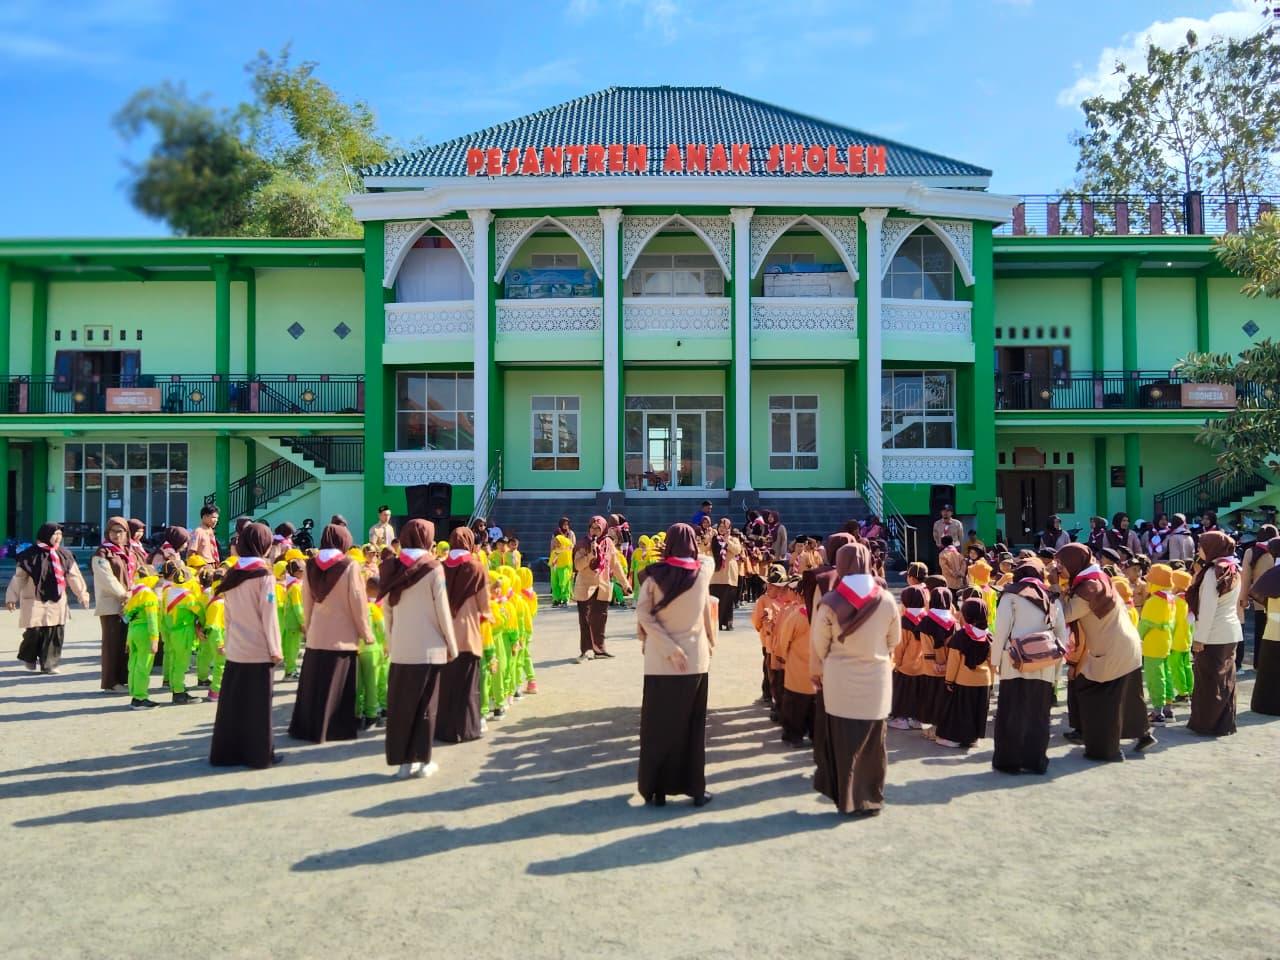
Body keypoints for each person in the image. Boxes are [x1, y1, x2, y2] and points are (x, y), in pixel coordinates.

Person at [810, 542, 899, 817]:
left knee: (844, 741)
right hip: (877, 680)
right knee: (874, 742)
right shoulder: (886, 599)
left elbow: (818, 645)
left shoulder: (830, 602)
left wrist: (817, 673)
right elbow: (894, 640)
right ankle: (871, 798)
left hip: (840, 680)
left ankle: (846, 798)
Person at [636, 522, 715, 808]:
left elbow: (644, 616)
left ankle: (655, 790)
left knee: (657, 728)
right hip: (695, 660)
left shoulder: (652, 578)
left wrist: (669, 647)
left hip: (660, 661)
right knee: (692, 730)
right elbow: (706, 557)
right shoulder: (703, 572)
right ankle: (695, 789)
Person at [1057, 543, 1154, 762]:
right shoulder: (1095, 579)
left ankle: (1106, 749)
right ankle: (1143, 734)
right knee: (1128, 695)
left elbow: (1064, 615)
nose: (1058, 568)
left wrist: (1055, 589)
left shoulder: (1088, 589)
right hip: (1125, 644)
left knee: (1100, 698)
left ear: (1074, 563)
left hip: (1113, 649)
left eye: (1061, 564)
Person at [378, 519, 458, 779]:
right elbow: (442, 610)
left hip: (401, 647)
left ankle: (403, 763)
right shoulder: (434, 568)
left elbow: (386, 610)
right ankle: (424, 762)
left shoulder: (390, 566)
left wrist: (390, 642)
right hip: (430, 648)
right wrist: (451, 644)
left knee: (401, 707)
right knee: (426, 706)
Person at [289, 522, 375, 743]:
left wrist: (309, 628)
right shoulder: (350, 565)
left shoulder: (309, 565)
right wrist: (366, 632)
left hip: (317, 634)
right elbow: (358, 602)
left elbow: (307, 601)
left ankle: (309, 728)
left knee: (314, 686)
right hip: (342, 637)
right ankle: (335, 729)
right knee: (338, 687)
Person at [209, 523, 284, 768]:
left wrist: (229, 643)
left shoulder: (232, 573)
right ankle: (260, 754)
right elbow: (269, 615)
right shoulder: (264, 575)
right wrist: (275, 648)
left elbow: (227, 616)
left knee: (234, 705)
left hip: (236, 648)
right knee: (258, 707)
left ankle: (227, 752)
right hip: (259, 649)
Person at [990, 560, 1066, 774]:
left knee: (1011, 712)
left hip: (1014, 661)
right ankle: (1035, 761)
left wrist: (995, 662)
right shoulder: (1052, 598)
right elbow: (1062, 636)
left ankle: (1009, 761)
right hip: (1044, 664)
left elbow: (1001, 631)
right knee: (1038, 714)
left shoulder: (1010, 596)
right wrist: (1057, 670)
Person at [6, 523, 90, 674]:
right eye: (54, 534)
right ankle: (29, 656)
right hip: (34, 599)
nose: (58, 538)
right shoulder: (30, 555)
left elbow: (74, 576)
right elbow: (19, 578)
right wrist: (11, 597)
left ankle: (49, 664)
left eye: (60, 535)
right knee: (34, 632)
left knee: (55, 632)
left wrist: (82, 594)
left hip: (57, 600)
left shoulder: (65, 555)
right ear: (45, 535)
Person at [436, 527, 490, 742]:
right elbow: (484, 606)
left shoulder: (439, 567)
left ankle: (444, 729)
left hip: (443, 635)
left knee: (446, 684)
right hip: (468, 633)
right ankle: (467, 728)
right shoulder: (477, 567)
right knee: (468, 685)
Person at [1187, 531, 1243, 737]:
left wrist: (1199, 638)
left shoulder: (1213, 573)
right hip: (1230, 631)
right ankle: (1224, 723)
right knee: (1226, 679)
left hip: (1213, 634)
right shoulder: (1233, 568)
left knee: (1209, 681)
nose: (1198, 550)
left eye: (1201, 546)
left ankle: (1207, 724)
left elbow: (1208, 609)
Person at [572, 515, 630, 662]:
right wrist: (590, 556)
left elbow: (615, 565)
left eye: (598, 528)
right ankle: (585, 651)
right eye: (592, 528)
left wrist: (625, 583)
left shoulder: (609, 544)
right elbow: (577, 566)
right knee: (585, 619)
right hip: (585, 587)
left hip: (602, 586)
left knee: (600, 619)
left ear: (603, 529)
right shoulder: (582, 544)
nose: (595, 531)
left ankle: (599, 649)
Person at [92, 516, 135, 692]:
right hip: (112, 605)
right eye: (113, 531)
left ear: (127, 533)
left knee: (126, 643)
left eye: (120, 531)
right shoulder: (102, 553)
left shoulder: (128, 551)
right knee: (112, 644)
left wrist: (135, 594)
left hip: (131, 603)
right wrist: (124, 594)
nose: (116, 535)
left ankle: (123, 679)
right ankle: (111, 682)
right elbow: (106, 578)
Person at [1138, 564, 1177, 723]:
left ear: (1155, 584)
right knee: (1166, 674)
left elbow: (1144, 625)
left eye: (1149, 581)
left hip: (1152, 645)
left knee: (1154, 677)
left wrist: (1136, 638)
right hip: (1166, 642)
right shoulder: (1171, 599)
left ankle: (1157, 711)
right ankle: (1168, 709)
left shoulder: (1154, 601)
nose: (1146, 584)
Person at [1248, 540, 1280, 715]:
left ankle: (1266, 705)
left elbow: (1258, 593)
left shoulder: (1272, 574)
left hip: (1274, 628)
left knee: (1269, 671)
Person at [1238, 525, 1277, 668]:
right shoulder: (1276, 551)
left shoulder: (1251, 552)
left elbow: (1246, 578)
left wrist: (1243, 598)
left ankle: (1258, 663)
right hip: (1276, 601)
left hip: (1259, 599)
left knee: (1260, 632)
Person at [709, 518, 743, 631]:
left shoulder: (734, 539)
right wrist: (707, 539)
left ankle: (728, 622)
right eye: (720, 527)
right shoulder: (714, 539)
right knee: (715, 600)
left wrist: (727, 540)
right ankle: (716, 623)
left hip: (729, 575)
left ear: (729, 528)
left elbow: (737, 550)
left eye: (725, 527)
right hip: (716, 575)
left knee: (728, 601)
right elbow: (703, 548)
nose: (722, 529)